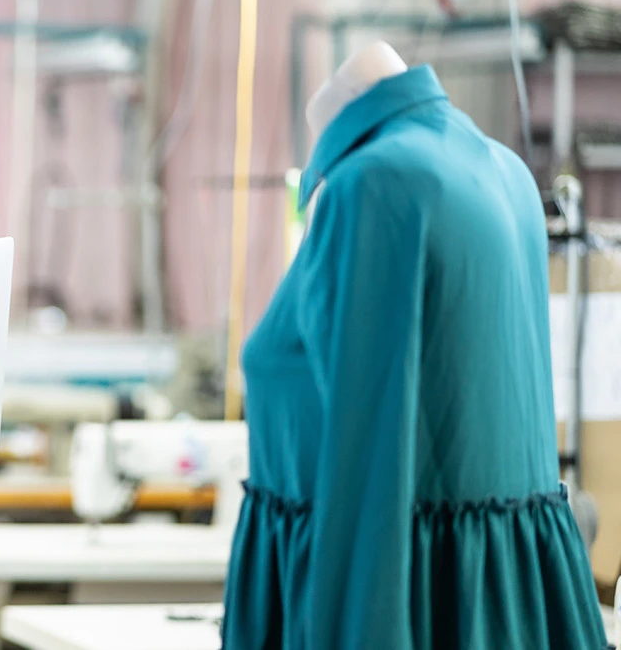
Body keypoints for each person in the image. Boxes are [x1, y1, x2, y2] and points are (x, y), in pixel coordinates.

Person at [221, 59, 605, 649]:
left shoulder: (372, 186)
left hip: (392, 606)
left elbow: (368, 471)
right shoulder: (508, 173)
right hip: (500, 611)